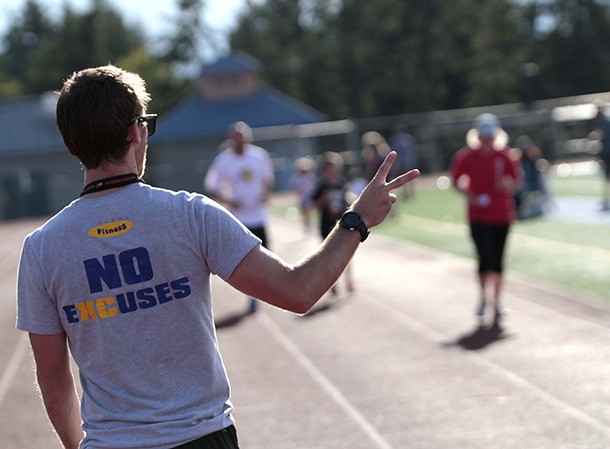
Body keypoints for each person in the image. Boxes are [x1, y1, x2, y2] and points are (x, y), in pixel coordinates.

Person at [15, 64, 419, 449]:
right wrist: (357, 220)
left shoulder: (42, 248)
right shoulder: (190, 214)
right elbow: (299, 291)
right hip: (203, 438)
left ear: (72, 144)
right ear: (136, 133)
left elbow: (54, 382)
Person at [450, 113, 522, 331]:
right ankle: (483, 297)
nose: (487, 141)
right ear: (477, 137)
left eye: (490, 137)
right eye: (483, 137)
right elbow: (455, 180)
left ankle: (497, 302)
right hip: (478, 215)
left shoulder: (506, 155)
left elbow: (518, 180)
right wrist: (470, 195)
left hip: (502, 214)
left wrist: (507, 185)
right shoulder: (466, 156)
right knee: (484, 257)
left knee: (498, 260)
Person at [204, 121, 275, 313]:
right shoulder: (223, 161)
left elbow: (267, 177)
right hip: (238, 219)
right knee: (245, 261)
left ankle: (270, 291)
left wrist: (265, 192)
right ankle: (253, 295)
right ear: (230, 140)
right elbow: (212, 186)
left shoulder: (259, 156)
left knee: (267, 256)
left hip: (258, 215)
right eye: (236, 139)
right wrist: (229, 200)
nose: (239, 142)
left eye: (242, 138)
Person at [311, 151, 353, 293]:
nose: (332, 171)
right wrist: (324, 200)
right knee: (328, 256)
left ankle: (349, 280)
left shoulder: (342, 182)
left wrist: (347, 200)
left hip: (342, 223)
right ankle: (332, 284)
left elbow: (349, 200)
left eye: (334, 167)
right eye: (329, 168)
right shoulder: (321, 185)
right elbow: (313, 204)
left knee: (346, 252)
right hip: (326, 224)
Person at [513, 135, 550, 219]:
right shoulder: (516, 160)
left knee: (544, 182)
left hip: (533, 183)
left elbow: (543, 166)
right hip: (522, 184)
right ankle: (517, 209)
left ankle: (545, 205)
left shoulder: (534, 160)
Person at [290, 156, 317, 232]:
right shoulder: (297, 177)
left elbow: (313, 186)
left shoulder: (310, 176)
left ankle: (309, 224)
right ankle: (306, 225)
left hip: (309, 197)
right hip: (302, 198)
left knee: (308, 212)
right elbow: (295, 187)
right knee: (304, 212)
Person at [593, 102, 610, 211]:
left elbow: (600, 135)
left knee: (606, 177)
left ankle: (605, 200)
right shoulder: (606, 121)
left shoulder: (603, 122)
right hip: (607, 152)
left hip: (607, 153)